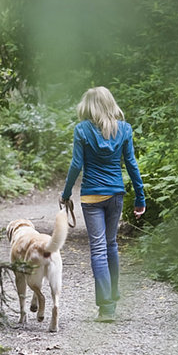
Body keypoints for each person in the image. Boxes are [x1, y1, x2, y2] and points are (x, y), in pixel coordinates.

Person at [61, 86, 146, 322]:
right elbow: (132, 165)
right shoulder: (125, 129)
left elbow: (76, 165)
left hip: (91, 197)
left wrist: (66, 193)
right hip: (116, 194)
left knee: (98, 249)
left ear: (88, 106)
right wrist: (140, 198)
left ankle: (106, 307)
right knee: (111, 245)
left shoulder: (82, 130)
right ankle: (113, 294)